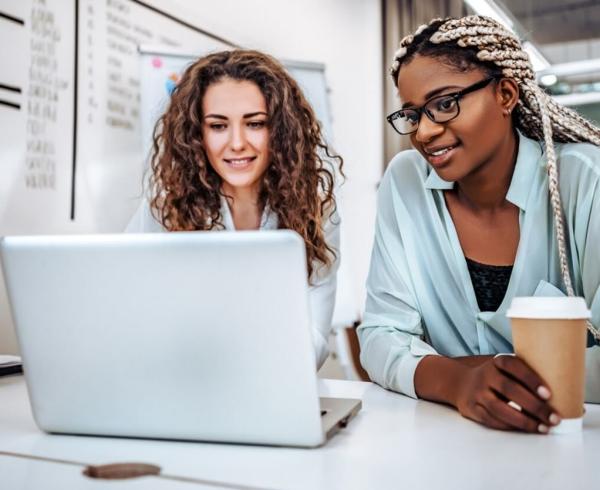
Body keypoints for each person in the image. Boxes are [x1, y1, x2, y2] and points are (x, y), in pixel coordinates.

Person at [358, 15, 600, 433]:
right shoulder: (405, 182)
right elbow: (380, 335)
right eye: (413, 114)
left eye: (445, 103)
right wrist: (457, 382)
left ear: (506, 94)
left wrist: (455, 368)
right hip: (449, 441)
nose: (426, 132)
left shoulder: (584, 180)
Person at [126, 50, 343, 369]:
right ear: (196, 134)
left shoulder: (317, 210)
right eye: (218, 126)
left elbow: (313, 344)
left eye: (255, 123)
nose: (237, 142)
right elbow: (128, 313)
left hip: (274, 385)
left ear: (280, 131)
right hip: (180, 383)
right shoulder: (165, 207)